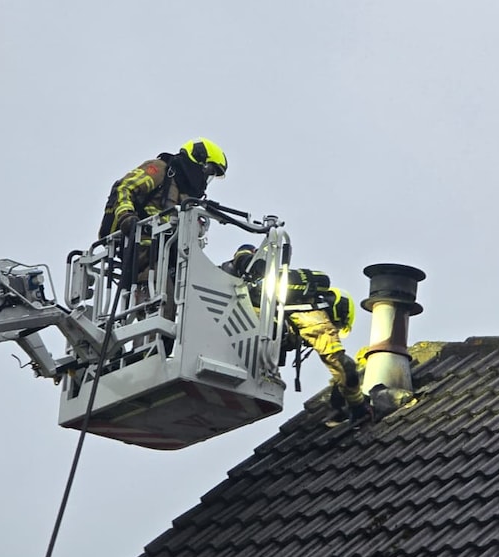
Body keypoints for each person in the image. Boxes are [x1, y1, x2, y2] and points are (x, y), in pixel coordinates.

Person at [223, 245, 372, 427]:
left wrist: (247, 259)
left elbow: (243, 255)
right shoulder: (317, 318)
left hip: (226, 318)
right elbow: (345, 367)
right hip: (237, 329)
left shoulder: (289, 305)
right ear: (337, 312)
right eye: (338, 326)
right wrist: (357, 403)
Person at [98, 137, 228, 240]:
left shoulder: (186, 197)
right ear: (198, 160)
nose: (206, 179)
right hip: (141, 247)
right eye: (209, 170)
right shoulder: (161, 169)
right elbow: (124, 187)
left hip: (167, 255)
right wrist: (126, 217)